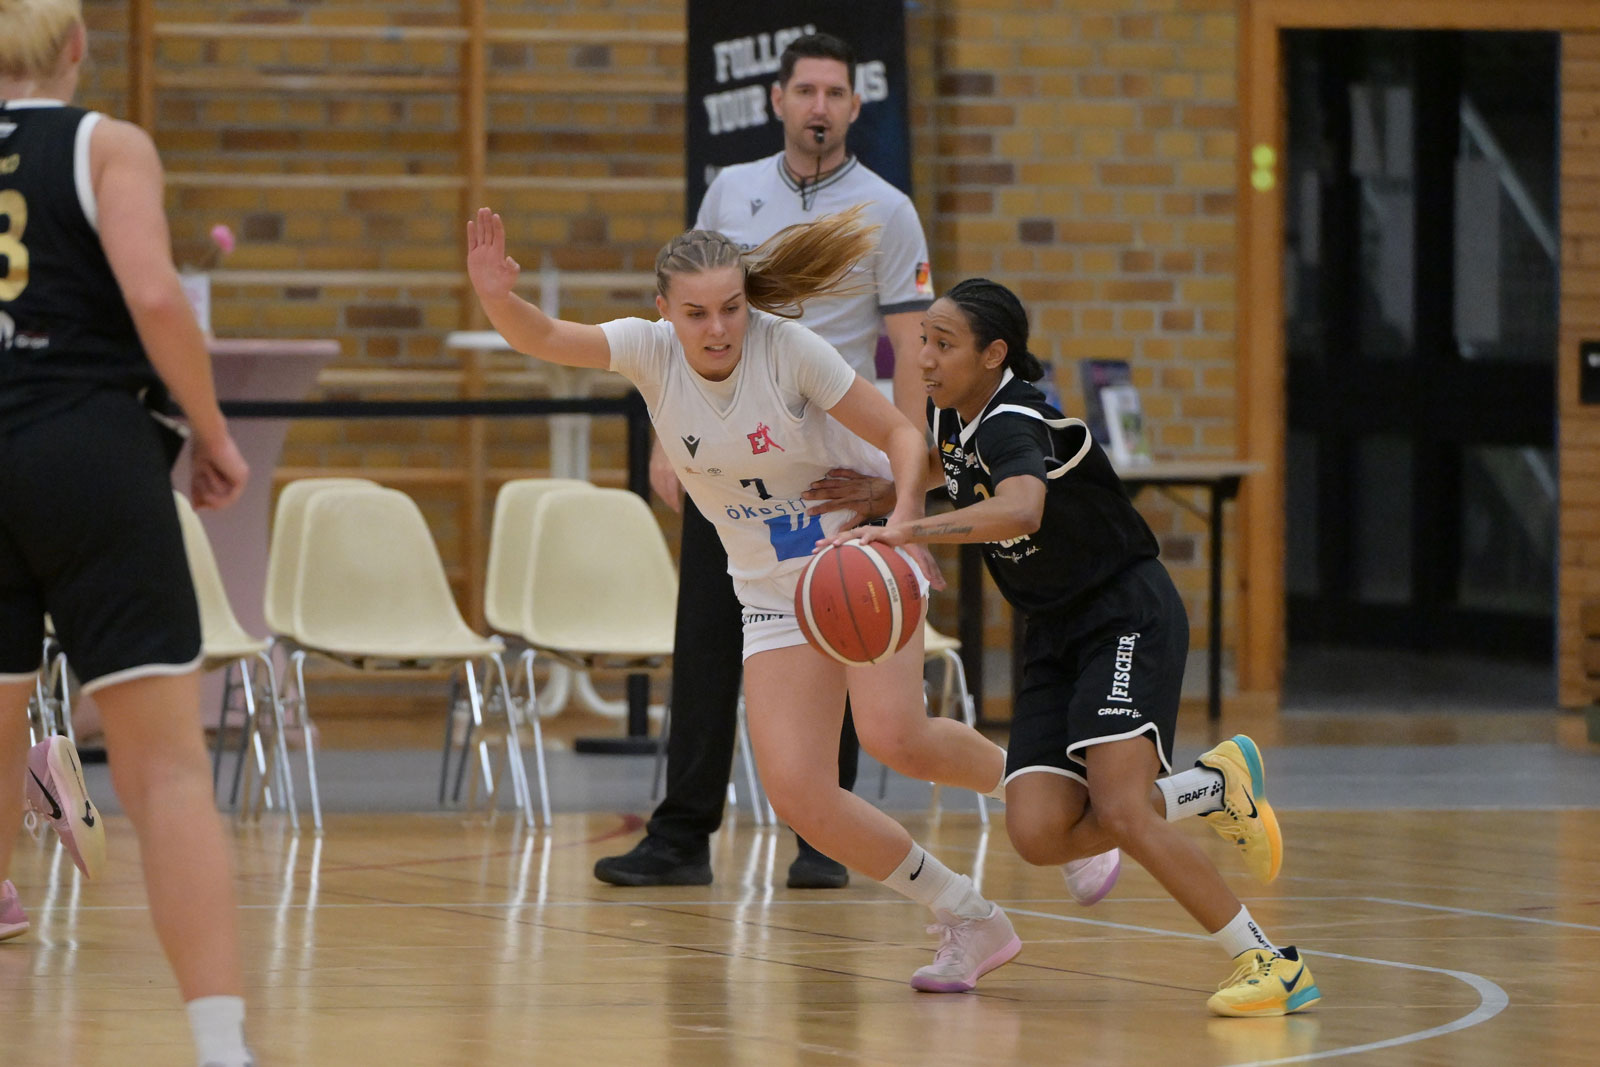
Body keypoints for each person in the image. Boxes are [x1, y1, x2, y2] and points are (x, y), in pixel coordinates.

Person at [467, 205, 1018, 992]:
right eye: (696, 312)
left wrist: (900, 527)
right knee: (798, 790)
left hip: (853, 562)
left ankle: (1054, 794)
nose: (717, 327)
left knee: (898, 736)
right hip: (767, 590)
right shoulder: (651, 352)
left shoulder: (787, 349)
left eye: (731, 307)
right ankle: (967, 913)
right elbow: (547, 336)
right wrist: (496, 297)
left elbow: (904, 438)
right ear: (665, 310)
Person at [812, 277, 1321, 1017]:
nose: (923, 357)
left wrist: (907, 531)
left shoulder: (1014, 418)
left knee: (1118, 807)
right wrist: (878, 490)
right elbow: (948, 470)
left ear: (995, 354)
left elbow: (1021, 505)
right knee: (1039, 829)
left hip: (1123, 615)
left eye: (942, 343)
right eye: (922, 339)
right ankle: (1212, 786)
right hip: (1053, 632)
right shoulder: (955, 414)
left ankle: (1269, 960)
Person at [596, 32, 937, 891]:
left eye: (836, 91)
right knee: (707, 640)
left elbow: (911, 351)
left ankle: (827, 836)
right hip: (729, 459)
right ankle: (680, 834)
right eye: (806, 90)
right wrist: (668, 444)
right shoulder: (732, 189)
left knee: (845, 631)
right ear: (778, 100)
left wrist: (904, 481)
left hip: (832, 468)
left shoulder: (888, 210)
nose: (820, 105)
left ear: (857, 108)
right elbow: (682, 329)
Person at [0, 4, 256, 1063]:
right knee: (163, 771)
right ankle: (220, 1045)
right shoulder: (105, 142)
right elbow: (153, 289)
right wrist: (210, 429)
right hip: (85, 450)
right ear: (76, 49)